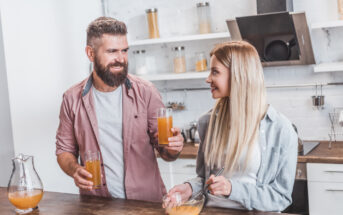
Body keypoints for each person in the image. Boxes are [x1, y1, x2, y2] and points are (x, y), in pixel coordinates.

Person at [55, 17, 184, 202]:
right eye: (112, 51)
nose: (121, 58)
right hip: (97, 205)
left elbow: (166, 152)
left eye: (124, 50)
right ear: (90, 54)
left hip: (146, 204)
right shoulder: (71, 99)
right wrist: (75, 170)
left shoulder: (146, 92)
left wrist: (174, 147)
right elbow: (64, 150)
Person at [164, 41, 298, 211]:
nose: (208, 79)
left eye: (215, 72)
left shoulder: (281, 130)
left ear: (238, 75)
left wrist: (233, 189)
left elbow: (280, 198)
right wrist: (189, 188)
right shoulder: (207, 122)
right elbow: (204, 179)